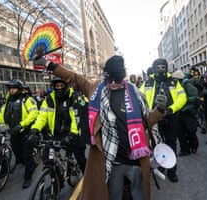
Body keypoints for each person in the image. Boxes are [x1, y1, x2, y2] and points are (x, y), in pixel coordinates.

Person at [33, 54, 167, 200]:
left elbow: (147, 123)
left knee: (138, 196)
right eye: (109, 79)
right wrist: (48, 64)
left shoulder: (136, 94)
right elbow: (72, 77)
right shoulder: (96, 89)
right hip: (112, 163)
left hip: (136, 161)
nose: (112, 83)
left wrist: (159, 110)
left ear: (122, 78)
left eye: (116, 80)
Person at [140, 58, 187, 183]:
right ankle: (160, 166)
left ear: (166, 68)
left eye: (163, 67)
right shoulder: (148, 82)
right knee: (156, 144)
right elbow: (139, 96)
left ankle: (172, 171)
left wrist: (172, 108)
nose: (161, 69)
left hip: (171, 116)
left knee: (171, 143)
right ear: (154, 68)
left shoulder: (174, 82)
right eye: (158, 67)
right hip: (154, 117)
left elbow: (182, 97)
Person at [28, 77, 87, 173]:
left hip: (72, 133)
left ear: (66, 86)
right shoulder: (49, 99)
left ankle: (88, 179)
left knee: (80, 158)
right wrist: (35, 130)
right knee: (47, 158)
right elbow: (42, 117)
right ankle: (55, 181)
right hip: (56, 134)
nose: (59, 88)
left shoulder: (74, 97)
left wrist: (72, 134)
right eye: (57, 86)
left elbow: (77, 118)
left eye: (61, 85)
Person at [0, 79, 38, 188]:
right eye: (10, 88)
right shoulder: (8, 101)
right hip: (13, 132)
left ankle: (28, 176)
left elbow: (34, 113)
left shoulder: (28, 100)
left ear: (19, 89)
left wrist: (22, 125)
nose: (11, 91)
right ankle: (31, 164)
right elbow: (2, 114)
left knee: (26, 154)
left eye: (14, 88)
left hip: (25, 131)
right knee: (17, 152)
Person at [172, 70, 199, 156]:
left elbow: (194, 97)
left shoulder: (187, 84)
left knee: (190, 130)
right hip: (178, 111)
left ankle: (194, 146)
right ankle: (184, 149)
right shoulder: (174, 86)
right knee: (180, 132)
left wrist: (184, 100)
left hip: (187, 111)